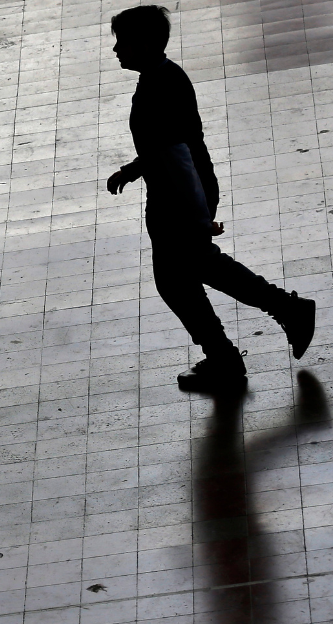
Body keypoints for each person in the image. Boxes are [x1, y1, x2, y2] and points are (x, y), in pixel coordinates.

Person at [106, 5, 316, 392]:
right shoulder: (163, 76)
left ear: (147, 44)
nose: (117, 50)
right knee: (185, 275)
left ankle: (267, 325)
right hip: (181, 190)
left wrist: (198, 215)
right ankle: (238, 345)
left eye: (124, 42)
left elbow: (177, 155)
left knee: (183, 276)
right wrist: (134, 169)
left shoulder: (158, 87)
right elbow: (166, 147)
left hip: (179, 194)